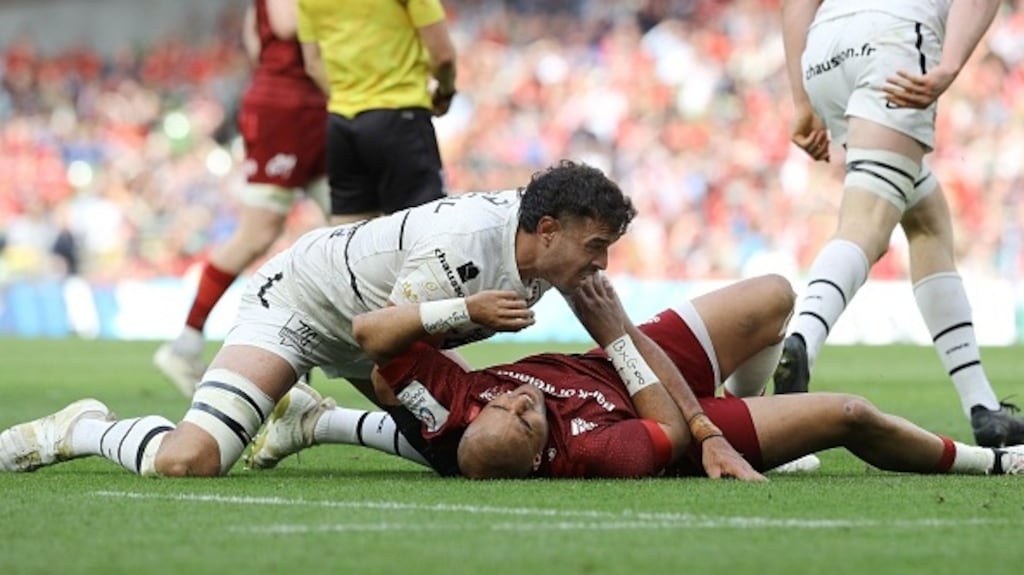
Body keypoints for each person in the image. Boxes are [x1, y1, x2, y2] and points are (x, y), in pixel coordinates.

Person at [0, 161, 638, 478]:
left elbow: (621, 336)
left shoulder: (551, 256)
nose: (602, 262)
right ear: (549, 230)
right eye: (595, 246)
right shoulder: (465, 245)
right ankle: (81, 428)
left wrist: (694, 419)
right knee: (187, 463)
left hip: (388, 330)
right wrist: (467, 311)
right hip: (302, 308)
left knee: (473, 452)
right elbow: (375, 339)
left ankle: (312, 419)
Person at [247, 273, 1024, 480]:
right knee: (852, 411)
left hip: (621, 361)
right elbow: (670, 418)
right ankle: (994, 458)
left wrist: (455, 308)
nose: (517, 397)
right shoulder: (601, 455)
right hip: (678, 413)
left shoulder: (466, 408)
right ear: (539, 456)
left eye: (504, 401)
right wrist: (614, 328)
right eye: (525, 416)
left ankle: (315, 421)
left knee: (776, 298)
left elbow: (380, 345)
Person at [775, 0, 1024, 447]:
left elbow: (797, 5)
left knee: (926, 217)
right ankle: (800, 340)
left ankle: (984, 408)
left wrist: (800, 99)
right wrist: (948, 67)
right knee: (867, 222)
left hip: (825, 48)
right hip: (893, 37)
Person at [154, 0, 329, 397]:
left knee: (349, 228)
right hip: (288, 109)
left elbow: (257, 42)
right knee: (258, 232)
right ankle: (187, 341)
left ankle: (317, 352)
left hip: (312, 105)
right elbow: (286, 25)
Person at [297, 0, 457, 225]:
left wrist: (349, 98)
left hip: (341, 124)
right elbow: (443, 56)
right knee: (426, 230)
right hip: (399, 115)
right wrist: (445, 92)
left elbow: (313, 64)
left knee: (350, 241)